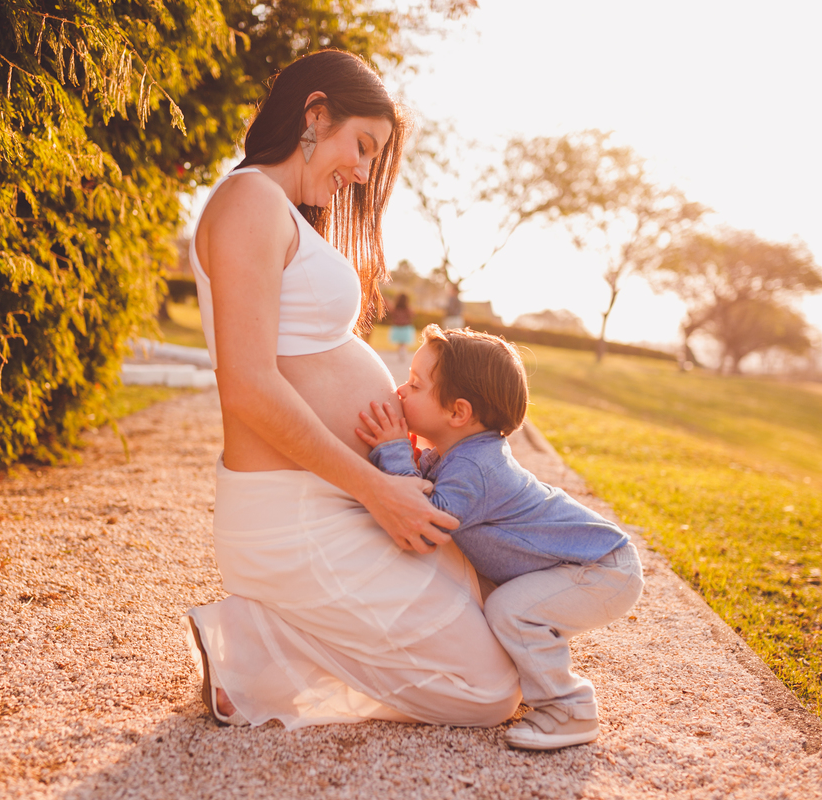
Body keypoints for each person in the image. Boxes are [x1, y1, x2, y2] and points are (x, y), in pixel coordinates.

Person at [181, 50, 521, 730]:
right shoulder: (250, 200)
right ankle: (255, 647)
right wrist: (376, 489)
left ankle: (266, 649)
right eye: (360, 146)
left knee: (501, 626)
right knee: (489, 693)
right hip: (296, 516)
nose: (362, 173)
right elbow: (248, 387)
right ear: (315, 113)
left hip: (335, 501)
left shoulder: (277, 208)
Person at [355, 325, 645, 750]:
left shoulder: (475, 467)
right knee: (495, 601)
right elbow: (425, 487)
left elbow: (423, 524)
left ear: (458, 413)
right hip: (587, 562)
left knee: (510, 609)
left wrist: (396, 451)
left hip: (602, 568)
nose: (401, 389)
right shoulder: (461, 454)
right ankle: (537, 680)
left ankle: (570, 707)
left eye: (415, 384)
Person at [387, 292, 416, 358]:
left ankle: (400, 352)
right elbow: (413, 315)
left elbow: (391, 314)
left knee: (399, 343)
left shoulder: (395, 308)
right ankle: (403, 352)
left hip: (397, 327)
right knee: (403, 343)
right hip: (405, 327)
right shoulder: (407, 309)